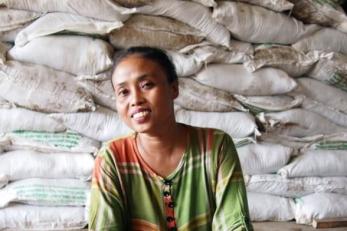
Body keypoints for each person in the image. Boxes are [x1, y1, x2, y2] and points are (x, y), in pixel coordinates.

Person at [88, 46, 253, 231]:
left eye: (146, 85)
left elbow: (234, 224)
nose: (135, 99)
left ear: (173, 88)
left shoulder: (216, 146)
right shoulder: (112, 158)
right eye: (123, 92)